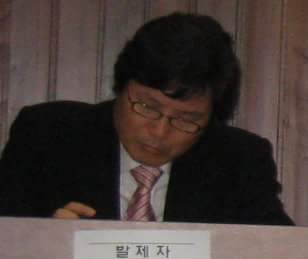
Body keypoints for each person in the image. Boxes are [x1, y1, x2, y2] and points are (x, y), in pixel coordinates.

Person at [0, 12, 292, 225]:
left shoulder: (239, 160)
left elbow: (278, 255)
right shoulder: (47, 136)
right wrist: (44, 238)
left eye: (186, 120)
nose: (160, 131)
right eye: (148, 107)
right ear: (121, 87)